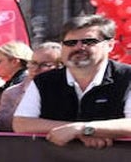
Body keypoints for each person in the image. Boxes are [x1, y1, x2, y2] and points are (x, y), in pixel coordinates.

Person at [13, 14, 131, 148]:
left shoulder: (127, 77)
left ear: (110, 45)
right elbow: (21, 123)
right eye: (70, 43)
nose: (78, 47)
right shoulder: (44, 81)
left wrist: (84, 128)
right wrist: (77, 131)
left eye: (88, 41)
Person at [0, 42, 62, 132]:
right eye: (33, 63)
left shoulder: (71, 90)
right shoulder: (12, 93)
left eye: (45, 65)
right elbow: (4, 126)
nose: (36, 69)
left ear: (60, 67)